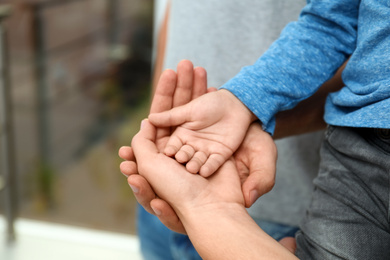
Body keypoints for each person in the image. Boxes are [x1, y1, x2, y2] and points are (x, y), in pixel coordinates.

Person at [145, 0, 390, 258]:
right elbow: (331, 21)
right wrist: (241, 101)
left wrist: (208, 209)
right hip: (352, 152)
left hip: (261, 197)